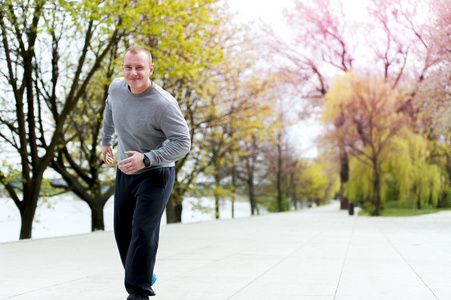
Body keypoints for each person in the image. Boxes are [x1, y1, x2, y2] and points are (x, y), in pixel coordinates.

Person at [101, 45, 191, 300]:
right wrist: (106, 140)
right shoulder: (116, 89)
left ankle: (139, 293)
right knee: (123, 232)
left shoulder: (163, 104)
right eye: (128, 67)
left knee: (142, 230)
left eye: (139, 67)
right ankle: (143, 273)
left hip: (156, 174)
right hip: (125, 171)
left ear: (150, 69)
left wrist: (149, 159)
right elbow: (109, 109)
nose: (133, 73)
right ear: (123, 68)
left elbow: (183, 142)